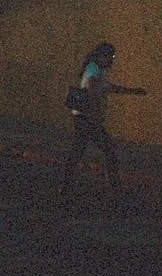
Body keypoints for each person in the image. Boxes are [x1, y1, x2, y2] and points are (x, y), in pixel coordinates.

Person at [59, 41, 146, 199]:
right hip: (87, 118)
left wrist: (133, 91)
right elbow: (92, 88)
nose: (112, 60)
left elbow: (110, 88)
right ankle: (114, 187)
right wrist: (95, 113)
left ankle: (66, 186)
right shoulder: (93, 68)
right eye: (110, 56)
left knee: (79, 151)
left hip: (84, 117)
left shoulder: (99, 70)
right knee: (108, 149)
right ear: (101, 56)